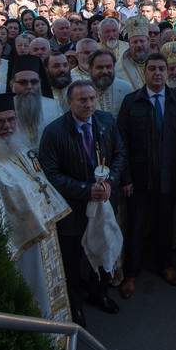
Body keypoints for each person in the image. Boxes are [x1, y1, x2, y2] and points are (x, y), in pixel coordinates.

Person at [0, 93, 73, 321]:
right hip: (20, 247)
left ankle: (56, 336)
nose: (7, 126)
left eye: (11, 120)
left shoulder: (16, 148)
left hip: (41, 234)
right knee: (32, 296)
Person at [39, 79, 126, 320]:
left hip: (104, 203)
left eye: (92, 99)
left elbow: (119, 153)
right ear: (69, 102)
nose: (89, 104)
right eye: (82, 100)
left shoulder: (106, 121)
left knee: (103, 246)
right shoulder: (54, 132)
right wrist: (84, 189)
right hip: (73, 208)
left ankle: (100, 293)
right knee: (73, 259)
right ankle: (75, 304)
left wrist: (111, 183)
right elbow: (51, 173)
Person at [116, 53, 176, 291]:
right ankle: (131, 273)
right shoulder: (131, 101)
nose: (157, 73)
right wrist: (126, 177)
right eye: (152, 69)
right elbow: (122, 143)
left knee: (165, 223)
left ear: (168, 73)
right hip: (140, 177)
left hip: (169, 174)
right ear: (145, 73)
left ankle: (165, 264)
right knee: (136, 226)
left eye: (161, 69)